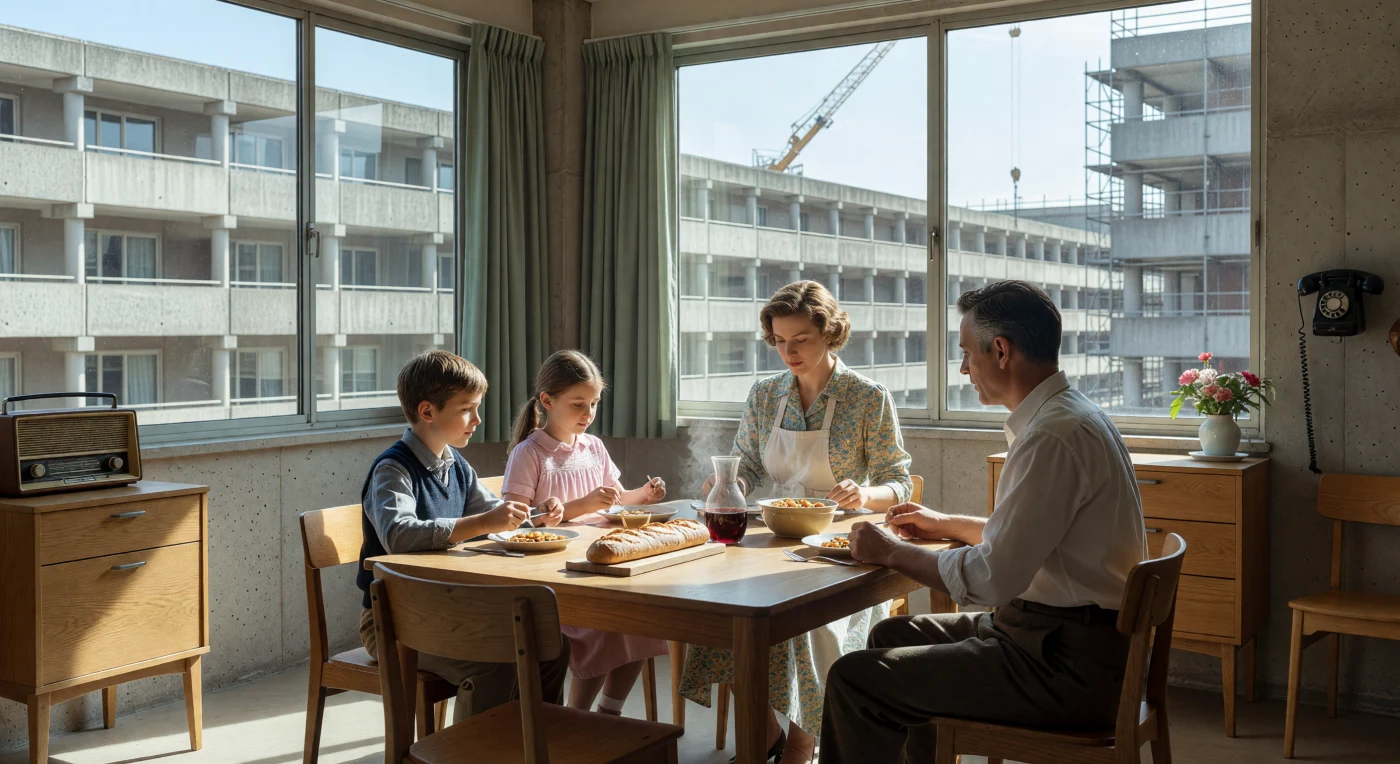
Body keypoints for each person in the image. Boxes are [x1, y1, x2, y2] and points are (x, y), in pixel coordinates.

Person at [820, 280, 1148, 763]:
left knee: (855, 679)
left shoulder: (1052, 437)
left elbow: (992, 578)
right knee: (891, 636)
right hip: (1063, 639)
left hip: (1063, 665)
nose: (963, 368)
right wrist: (945, 523)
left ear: (1000, 351)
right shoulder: (1070, 416)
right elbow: (1032, 538)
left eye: (966, 353)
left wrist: (890, 551)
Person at [681, 280, 913, 764]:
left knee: (808, 624)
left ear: (830, 333)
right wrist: (727, 482)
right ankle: (766, 732)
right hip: (774, 537)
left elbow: (899, 481)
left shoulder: (866, 397)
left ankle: (802, 746)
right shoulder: (766, 394)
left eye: (801, 339)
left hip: (843, 550)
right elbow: (747, 464)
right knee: (725, 611)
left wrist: (864, 493)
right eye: (780, 340)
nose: (789, 352)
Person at [355, 350, 570, 723]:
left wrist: (534, 518)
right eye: (467, 409)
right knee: (497, 665)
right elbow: (399, 536)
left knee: (552, 646)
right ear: (428, 412)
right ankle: (473, 749)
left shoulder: (456, 465)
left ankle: (532, 744)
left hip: (449, 610)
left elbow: (495, 516)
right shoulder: (392, 470)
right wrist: (484, 521)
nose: (478, 419)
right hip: (394, 621)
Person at [502, 349, 670, 716]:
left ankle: (608, 713)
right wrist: (574, 507)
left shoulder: (594, 447)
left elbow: (616, 499)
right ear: (547, 401)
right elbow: (513, 522)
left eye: (593, 404)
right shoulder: (530, 453)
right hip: (555, 581)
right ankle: (576, 717)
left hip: (599, 567)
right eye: (578, 404)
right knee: (603, 627)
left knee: (643, 619)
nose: (588, 413)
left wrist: (644, 494)